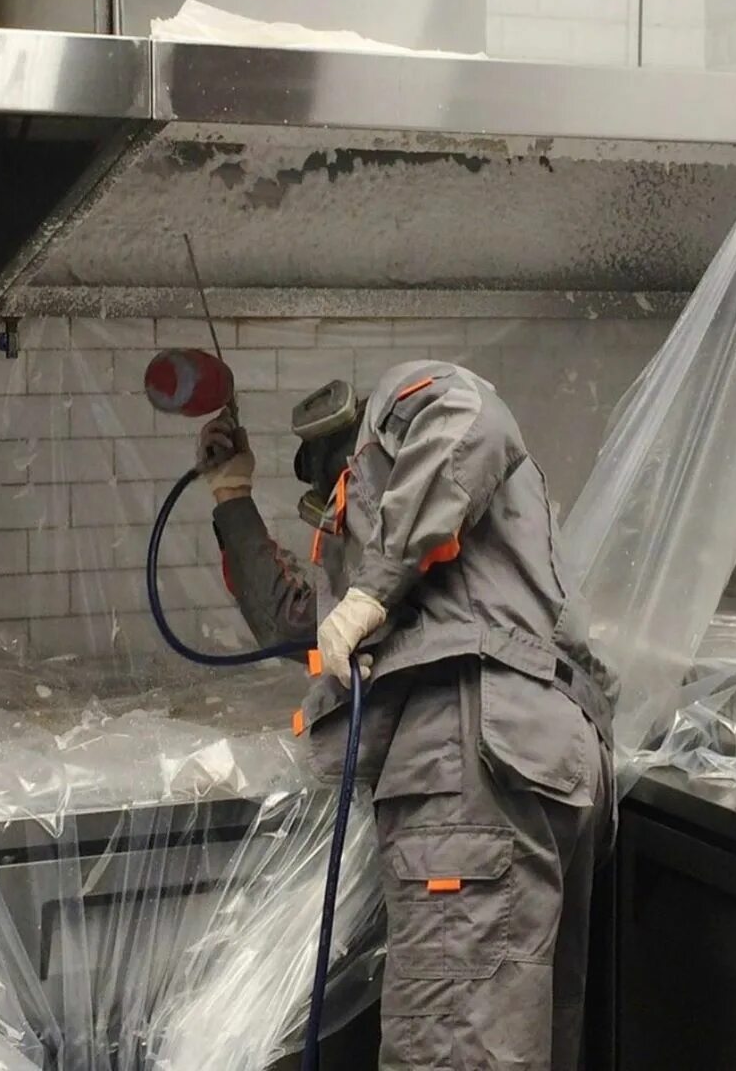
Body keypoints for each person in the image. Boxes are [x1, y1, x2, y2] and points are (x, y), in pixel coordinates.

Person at [200, 359, 616, 1070]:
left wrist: (375, 587)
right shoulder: (406, 560)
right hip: (528, 763)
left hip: (470, 764)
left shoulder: (409, 402)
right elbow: (295, 619)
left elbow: (474, 421)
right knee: (505, 1046)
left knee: (451, 1050)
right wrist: (231, 493)